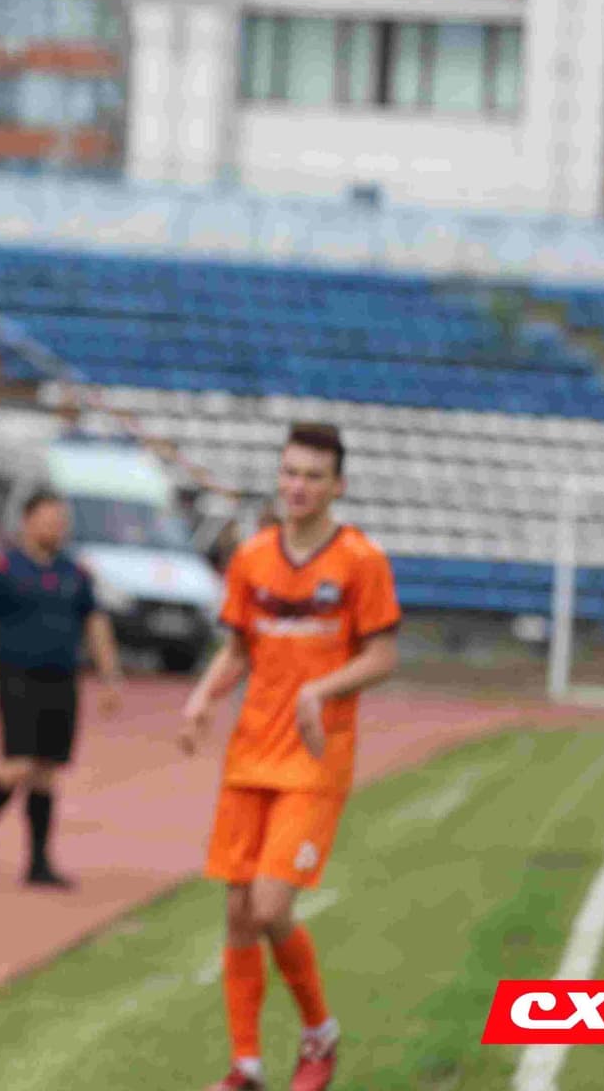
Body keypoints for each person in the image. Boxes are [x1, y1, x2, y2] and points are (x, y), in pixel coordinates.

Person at [178, 423, 400, 1091]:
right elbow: (240, 648)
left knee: (272, 908)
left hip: (315, 757)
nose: (298, 486)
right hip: (250, 755)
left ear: (338, 485)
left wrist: (321, 691)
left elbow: (383, 655)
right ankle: (246, 1065)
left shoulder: (360, 560)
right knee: (238, 909)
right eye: (290, 473)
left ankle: (319, 1035)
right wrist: (201, 698)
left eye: (312, 475)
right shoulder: (252, 557)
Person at [0, 490, 123, 888]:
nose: (57, 527)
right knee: (17, 765)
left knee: (47, 771)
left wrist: (109, 676)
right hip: (17, 677)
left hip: (62, 679)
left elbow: (96, 624)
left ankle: (38, 863)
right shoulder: (1, 569)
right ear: (27, 521)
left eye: (62, 521)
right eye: (50, 519)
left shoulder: (76, 573)